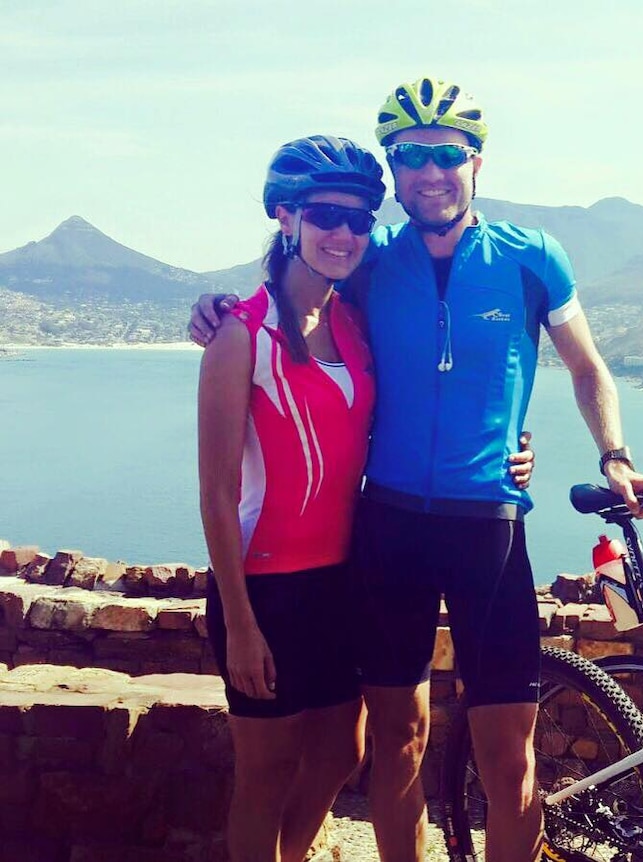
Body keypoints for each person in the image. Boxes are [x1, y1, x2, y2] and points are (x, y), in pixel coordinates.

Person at [190, 76, 643, 862]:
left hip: (491, 526)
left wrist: (613, 455)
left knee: (510, 760)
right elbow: (297, 273)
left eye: (446, 154)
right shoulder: (373, 256)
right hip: (389, 529)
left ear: (477, 161)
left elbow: (587, 369)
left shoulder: (531, 257)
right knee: (397, 741)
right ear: (395, 169)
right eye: (409, 156)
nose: (429, 171)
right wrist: (213, 307)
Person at [198, 134, 385, 862]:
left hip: (340, 582)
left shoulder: (354, 320)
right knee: (265, 772)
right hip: (264, 590)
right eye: (327, 215)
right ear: (287, 218)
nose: (345, 233)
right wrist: (240, 624)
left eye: (361, 218)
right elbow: (215, 495)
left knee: (343, 753)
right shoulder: (239, 333)